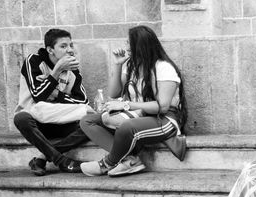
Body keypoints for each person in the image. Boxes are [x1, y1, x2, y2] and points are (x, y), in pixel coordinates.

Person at [80, 25, 187, 177]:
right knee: (87, 121)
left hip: (165, 119)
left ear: (141, 46)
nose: (126, 47)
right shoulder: (132, 67)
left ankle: (106, 164)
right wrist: (118, 65)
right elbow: (114, 92)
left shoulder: (164, 67)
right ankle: (130, 159)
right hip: (140, 115)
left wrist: (126, 105)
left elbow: (162, 106)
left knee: (126, 126)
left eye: (129, 43)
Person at [13, 28, 89, 176]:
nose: (70, 50)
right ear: (50, 50)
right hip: (35, 122)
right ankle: (62, 162)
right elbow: (38, 95)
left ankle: (41, 159)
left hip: (59, 121)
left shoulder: (73, 70)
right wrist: (55, 72)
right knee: (20, 118)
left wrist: (56, 94)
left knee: (91, 123)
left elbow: (82, 101)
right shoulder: (34, 61)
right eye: (63, 46)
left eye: (71, 45)